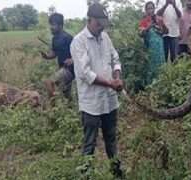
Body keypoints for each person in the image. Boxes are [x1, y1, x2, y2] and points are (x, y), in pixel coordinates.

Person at [70, 3, 123, 177]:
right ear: (89, 20)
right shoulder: (78, 42)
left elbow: (115, 57)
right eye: (98, 23)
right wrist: (110, 83)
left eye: (103, 23)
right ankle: (86, 175)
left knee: (111, 138)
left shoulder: (105, 37)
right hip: (91, 103)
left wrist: (116, 75)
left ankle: (117, 172)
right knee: (90, 143)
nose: (101, 27)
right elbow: (85, 74)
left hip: (109, 100)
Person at [40, 13, 74, 100]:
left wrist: (72, 59)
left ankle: (52, 107)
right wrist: (47, 56)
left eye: (53, 24)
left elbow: (79, 53)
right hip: (61, 68)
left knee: (49, 82)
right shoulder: (54, 38)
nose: (51, 27)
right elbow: (54, 53)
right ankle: (69, 108)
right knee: (66, 93)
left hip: (69, 69)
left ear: (60, 25)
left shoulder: (68, 38)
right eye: (50, 24)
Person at [139, 1, 168, 84]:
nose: (150, 10)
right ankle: (150, 86)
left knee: (161, 65)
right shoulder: (143, 21)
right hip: (149, 48)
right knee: (151, 67)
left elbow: (166, 31)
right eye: (148, 8)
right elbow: (141, 34)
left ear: (154, 9)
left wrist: (162, 26)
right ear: (146, 10)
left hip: (160, 48)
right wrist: (148, 27)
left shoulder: (159, 19)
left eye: (152, 8)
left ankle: (161, 84)